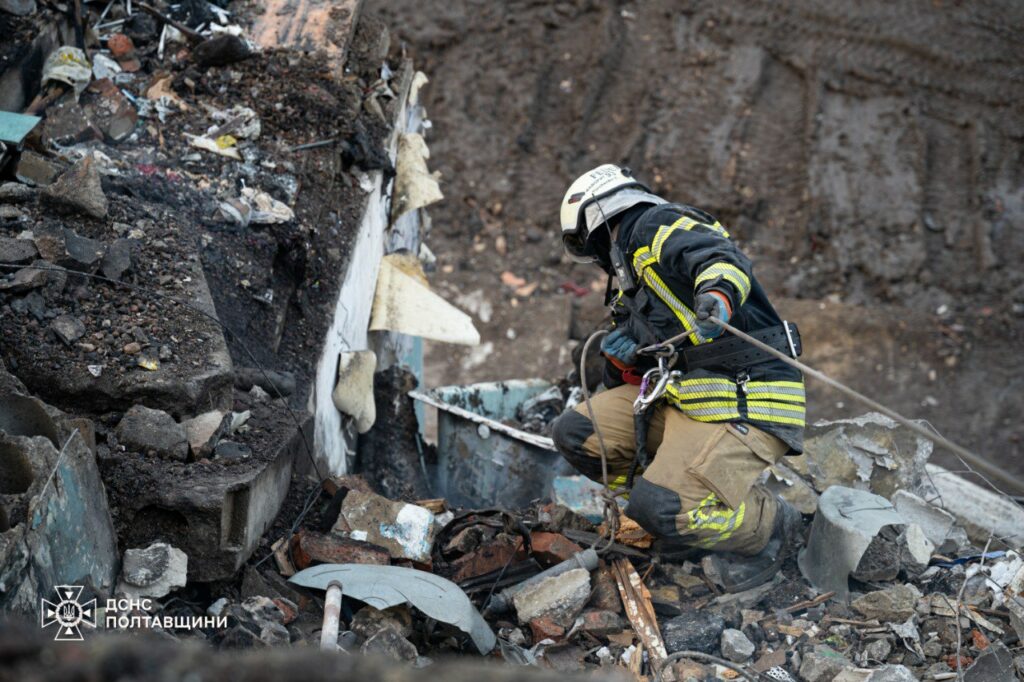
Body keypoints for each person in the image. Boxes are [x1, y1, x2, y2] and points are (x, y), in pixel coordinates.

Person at [551, 164, 806, 591]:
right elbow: (637, 374)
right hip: (687, 400)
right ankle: (675, 516)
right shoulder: (630, 288)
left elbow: (717, 257)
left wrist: (718, 295)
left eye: (588, 245)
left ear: (597, 222)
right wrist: (624, 361)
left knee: (662, 508)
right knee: (577, 433)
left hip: (746, 396)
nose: (596, 258)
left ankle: (773, 524)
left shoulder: (653, 224)